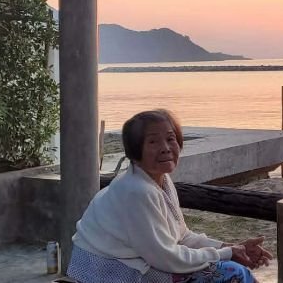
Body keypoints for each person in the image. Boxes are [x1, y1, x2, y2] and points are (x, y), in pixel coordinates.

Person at [67, 109, 272, 283]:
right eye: (153, 142)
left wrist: (230, 247)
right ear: (135, 150)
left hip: (141, 261)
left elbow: (182, 236)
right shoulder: (136, 190)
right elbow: (166, 257)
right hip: (109, 271)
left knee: (227, 269)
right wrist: (226, 254)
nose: (165, 148)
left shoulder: (160, 180)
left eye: (170, 139)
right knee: (232, 273)